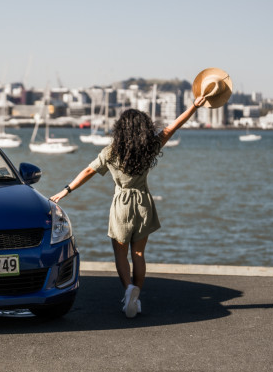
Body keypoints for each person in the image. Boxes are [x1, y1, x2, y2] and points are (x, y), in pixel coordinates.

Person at [51, 94, 207, 318]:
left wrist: (65, 190)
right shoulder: (149, 147)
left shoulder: (111, 151)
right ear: (143, 128)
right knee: (139, 254)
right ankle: (137, 295)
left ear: (120, 129)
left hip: (122, 205)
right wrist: (194, 105)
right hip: (143, 202)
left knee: (120, 255)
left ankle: (128, 291)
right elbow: (174, 126)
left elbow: (88, 171)